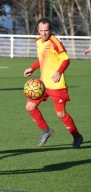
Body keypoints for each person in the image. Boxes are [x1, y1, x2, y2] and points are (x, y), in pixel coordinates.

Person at [23, 18, 83, 148]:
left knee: (60, 113)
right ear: (38, 30)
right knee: (30, 107)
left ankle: (77, 136)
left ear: (51, 30)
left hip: (57, 85)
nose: (44, 33)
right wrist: (32, 68)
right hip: (43, 84)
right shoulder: (38, 41)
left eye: (47, 30)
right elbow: (42, 58)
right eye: (42, 30)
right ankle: (46, 130)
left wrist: (59, 72)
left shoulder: (55, 42)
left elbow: (66, 59)